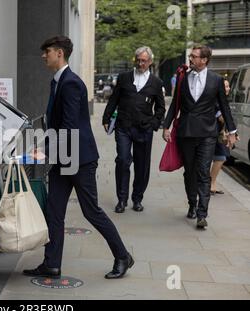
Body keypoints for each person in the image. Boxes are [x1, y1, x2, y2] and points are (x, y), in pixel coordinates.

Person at [23, 36, 133, 280]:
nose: (44, 56)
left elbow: (70, 126)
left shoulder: (71, 83)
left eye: (47, 51)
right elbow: (59, 123)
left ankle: (123, 256)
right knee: (53, 212)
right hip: (65, 158)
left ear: (59, 53)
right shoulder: (58, 81)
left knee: (91, 211)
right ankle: (51, 264)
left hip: (79, 159)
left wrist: (46, 152)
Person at [163, 45, 237, 229]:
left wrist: (232, 131)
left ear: (204, 60)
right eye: (191, 56)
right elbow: (175, 104)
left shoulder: (216, 80)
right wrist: (166, 126)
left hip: (207, 134)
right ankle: (192, 204)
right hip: (186, 133)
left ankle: (202, 214)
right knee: (190, 172)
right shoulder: (182, 78)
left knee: (203, 173)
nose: (191, 59)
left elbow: (224, 106)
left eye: (194, 56)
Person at [102, 46, 165, 214]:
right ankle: (122, 199)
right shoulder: (124, 78)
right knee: (122, 160)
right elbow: (114, 99)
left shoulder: (156, 83)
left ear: (150, 62)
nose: (140, 63)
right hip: (123, 126)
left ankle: (137, 198)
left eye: (144, 60)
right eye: (138, 60)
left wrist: (154, 123)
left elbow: (160, 108)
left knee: (142, 165)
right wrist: (106, 118)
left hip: (144, 129)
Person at [210, 79, 234, 195]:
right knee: (220, 157)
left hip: (219, 134)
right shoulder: (216, 101)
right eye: (225, 86)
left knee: (219, 157)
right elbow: (222, 118)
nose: (227, 89)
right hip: (213, 134)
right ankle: (211, 183)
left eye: (228, 86)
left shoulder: (223, 100)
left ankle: (211, 183)